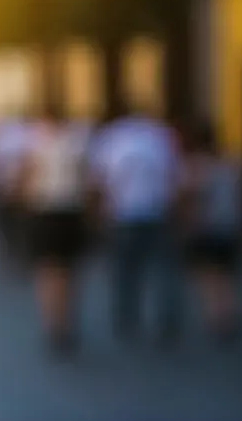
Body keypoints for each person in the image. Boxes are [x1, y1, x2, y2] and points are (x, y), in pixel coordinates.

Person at [92, 106, 185, 346]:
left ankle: (126, 320)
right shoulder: (160, 136)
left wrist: (102, 209)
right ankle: (167, 320)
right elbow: (174, 175)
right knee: (163, 271)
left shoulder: (112, 137)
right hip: (157, 211)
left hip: (123, 213)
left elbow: (101, 178)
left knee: (125, 273)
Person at [21, 105, 91, 356]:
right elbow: (87, 180)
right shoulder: (78, 143)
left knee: (48, 272)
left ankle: (53, 325)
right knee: (69, 271)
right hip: (72, 212)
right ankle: (68, 322)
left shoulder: (37, 144)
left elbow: (28, 181)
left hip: (46, 211)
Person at [182, 120, 242, 343]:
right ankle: (229, 312)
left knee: (209, 276)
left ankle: (216, 317)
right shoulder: (231, 163)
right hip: (230, 225)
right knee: (226, 274)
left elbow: (194, 197)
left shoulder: (197, 166)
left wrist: (189, 223)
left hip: (207, 227)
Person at [0, 113, 32, 267]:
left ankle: (17, 252)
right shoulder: (4, 139)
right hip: (4, 187)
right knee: (6, 221)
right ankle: (10, 250)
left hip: (17, 188)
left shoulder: (22, 138)